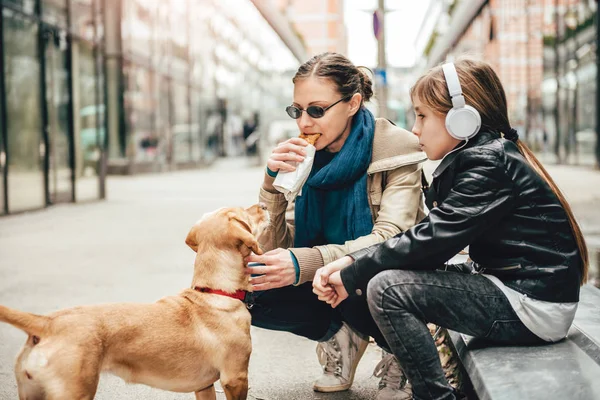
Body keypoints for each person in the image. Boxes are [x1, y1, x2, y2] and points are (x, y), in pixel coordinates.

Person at [313, 58, 589, 400]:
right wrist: (353, 265)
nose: (415, 129)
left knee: (387, 288)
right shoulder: (482, 156)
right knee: (380, 277)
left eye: (422, 115)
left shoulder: (487, 162)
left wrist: (355, 267)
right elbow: (429, 237)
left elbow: (433, 240)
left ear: (463, 118)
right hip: (521, 292)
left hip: (532, 304)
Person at [246, 52, 428, 399]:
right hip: (328, 279)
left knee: (374, 276)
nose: (303, 123)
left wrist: (306, 262)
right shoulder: (304, 158)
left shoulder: (394, 150)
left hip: (380, 275)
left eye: (316, 110)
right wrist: (272, 186)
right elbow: (275, 247)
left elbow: (391, 239)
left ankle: (398, 350)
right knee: (249, 284)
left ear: (353, 103)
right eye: (296, 110)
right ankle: (340, 334)